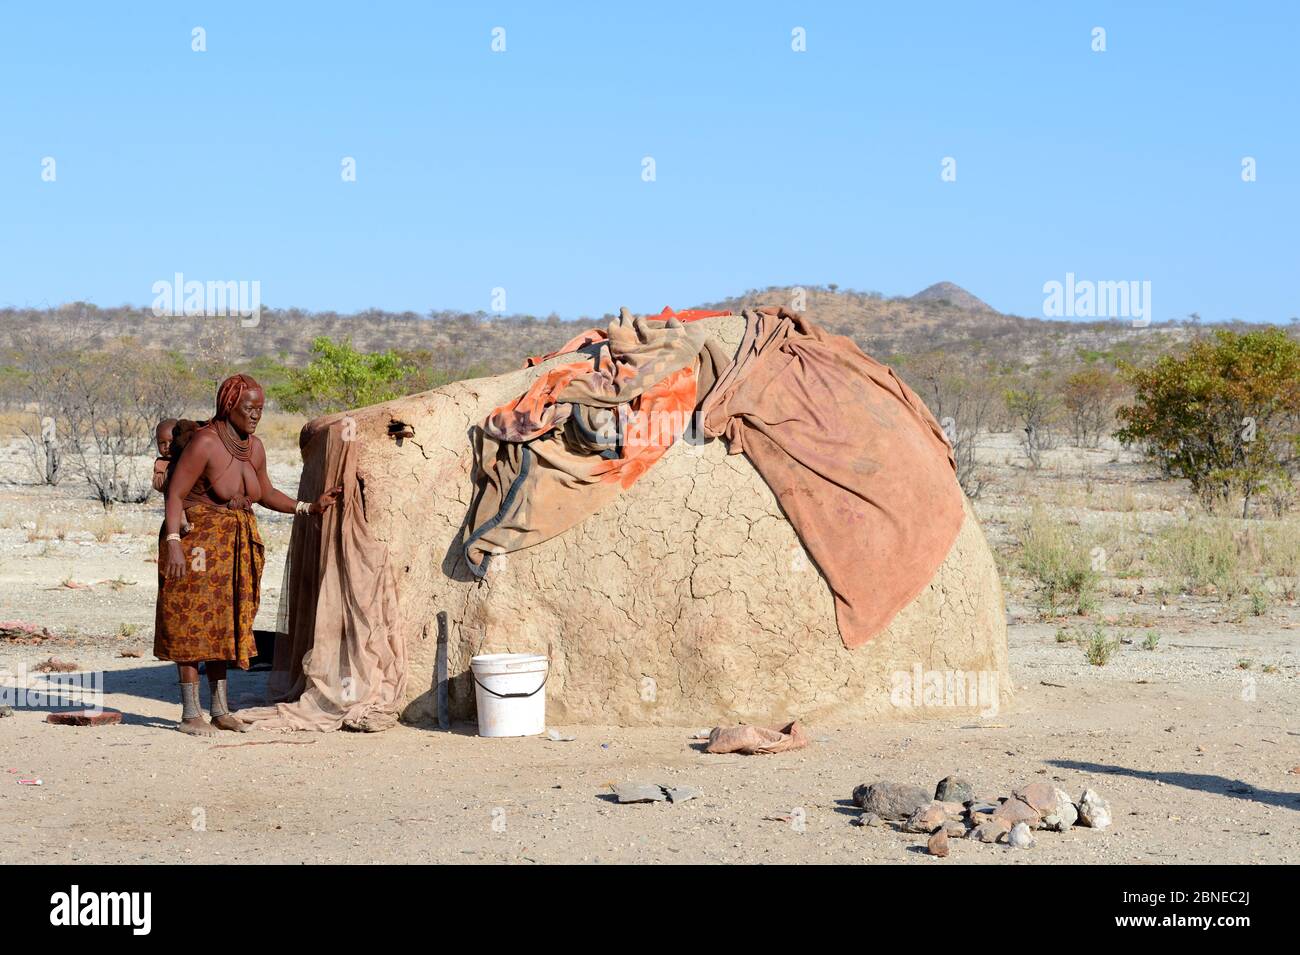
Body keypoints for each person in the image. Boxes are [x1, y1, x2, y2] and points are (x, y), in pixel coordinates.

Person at [154, 374, 342, 736]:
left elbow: (266, 492)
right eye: (249, 408)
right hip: (195, 545)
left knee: (225, 625)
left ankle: (220, 709)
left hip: (234, 549)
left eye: (260, 409)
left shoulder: (253, 447)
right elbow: (175, 494)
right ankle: (190, 713)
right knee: (191, 626)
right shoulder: (206, 443)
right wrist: (174, 542)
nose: (256, 415)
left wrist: (309, 507)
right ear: (229, 406)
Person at [151, 419, 178, 493]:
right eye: (162, 443)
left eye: (171, 441)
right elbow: (158, 485)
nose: (167, 446)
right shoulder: (161, 463)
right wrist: (172, 468)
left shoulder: (188, 456)